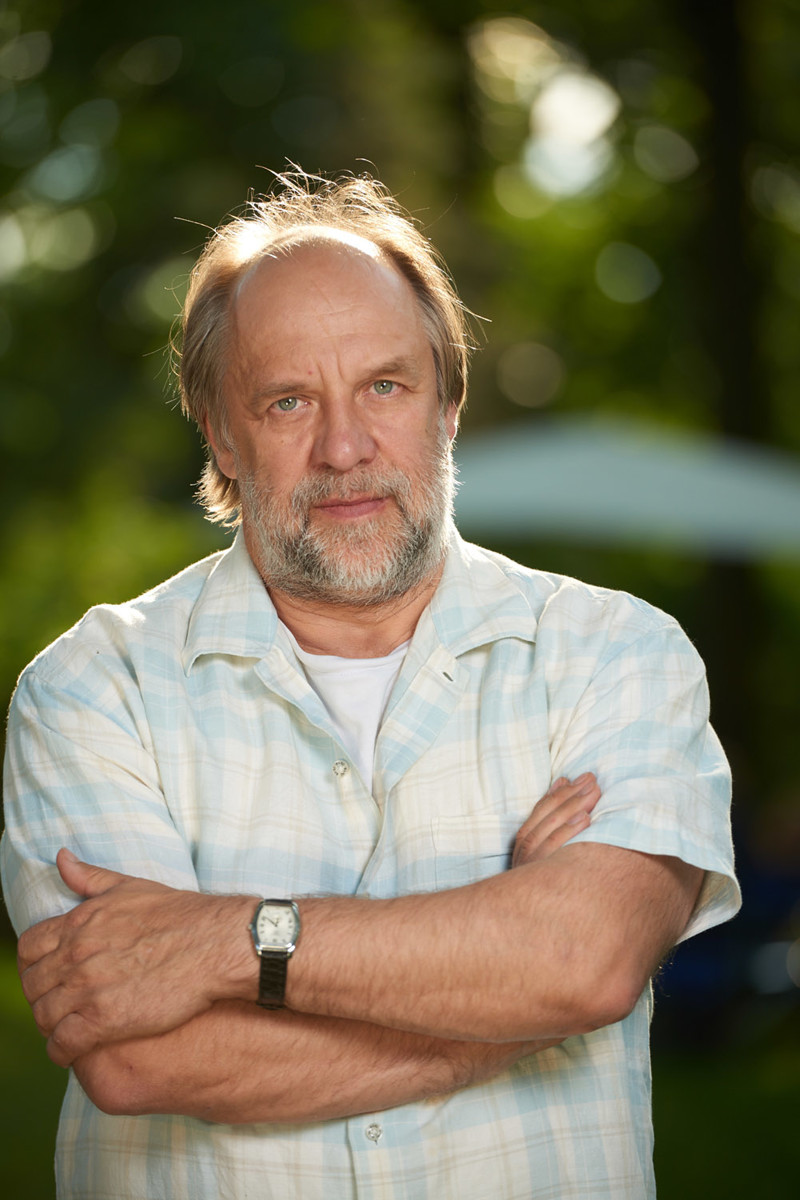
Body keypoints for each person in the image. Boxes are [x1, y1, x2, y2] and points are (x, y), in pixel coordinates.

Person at [1, 170, 739, 1200]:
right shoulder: (92, 688)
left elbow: (588, 963)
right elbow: (140, 1060)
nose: (344, 449)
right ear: (220, 432)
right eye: (288, 400)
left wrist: (225, 940)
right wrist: (515, 994)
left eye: (384, 387)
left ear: (449, 402)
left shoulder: (615, 654)